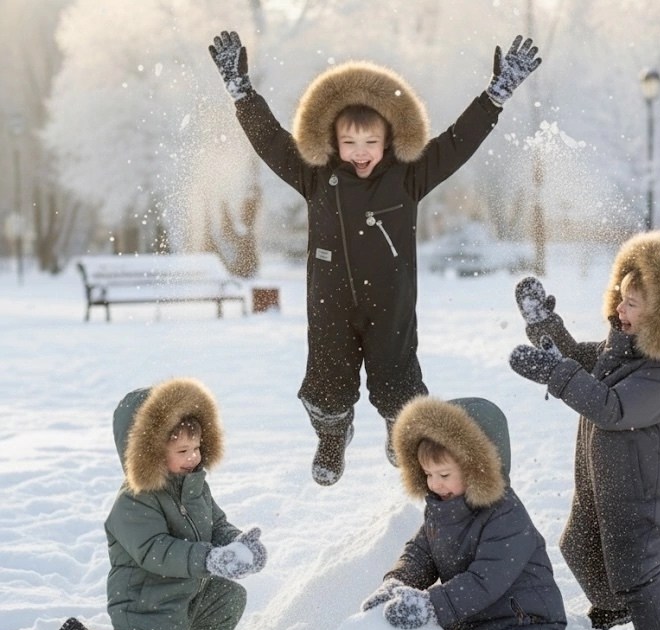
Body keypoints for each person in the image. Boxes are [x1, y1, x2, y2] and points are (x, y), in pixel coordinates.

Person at [209, 30, 542, 485]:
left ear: (390, 139)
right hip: (331, 300)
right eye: (349, 143)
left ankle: (397, 426)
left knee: (397, 374)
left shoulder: (409, 176)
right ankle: (332, 433)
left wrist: (495, 97)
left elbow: (458, 142)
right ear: (332, 141)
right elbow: (271, 141)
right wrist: (242, 94)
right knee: (328, 374)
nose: (360, 153)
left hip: (391, 301)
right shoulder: (314, 175)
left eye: (370, 142)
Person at [509, 230, 660, 630]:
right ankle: (614, 608)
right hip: (602, 480)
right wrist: (547, 331)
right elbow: (577, 358)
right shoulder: (619, 348)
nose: (620, 309)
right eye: (620, 298)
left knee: (637, 564)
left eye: (633, 304)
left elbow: (611, 408)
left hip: (645, 488)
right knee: (578, 545)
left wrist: (555, 374)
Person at [361, 395, 633, 630]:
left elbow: (485, 580)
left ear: (477, 468)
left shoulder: (506, 516)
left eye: (445, 475)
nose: (435, 484)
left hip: (520, 619)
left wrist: (430, 606)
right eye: (428, 475)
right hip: (473, 616)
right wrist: (396, 582)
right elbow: (421, 552)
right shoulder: (443, 509)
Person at [37, 377, 267, 630]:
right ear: (151, 452)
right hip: (148, 599)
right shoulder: (134, 501)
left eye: (197, 447)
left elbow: (216, 523)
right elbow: (156, 550)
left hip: (189, 589)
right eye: (183, 450)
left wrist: (238, 545)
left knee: (229, 596)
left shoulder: (193, 484)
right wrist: (209, 560)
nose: (193, 457)